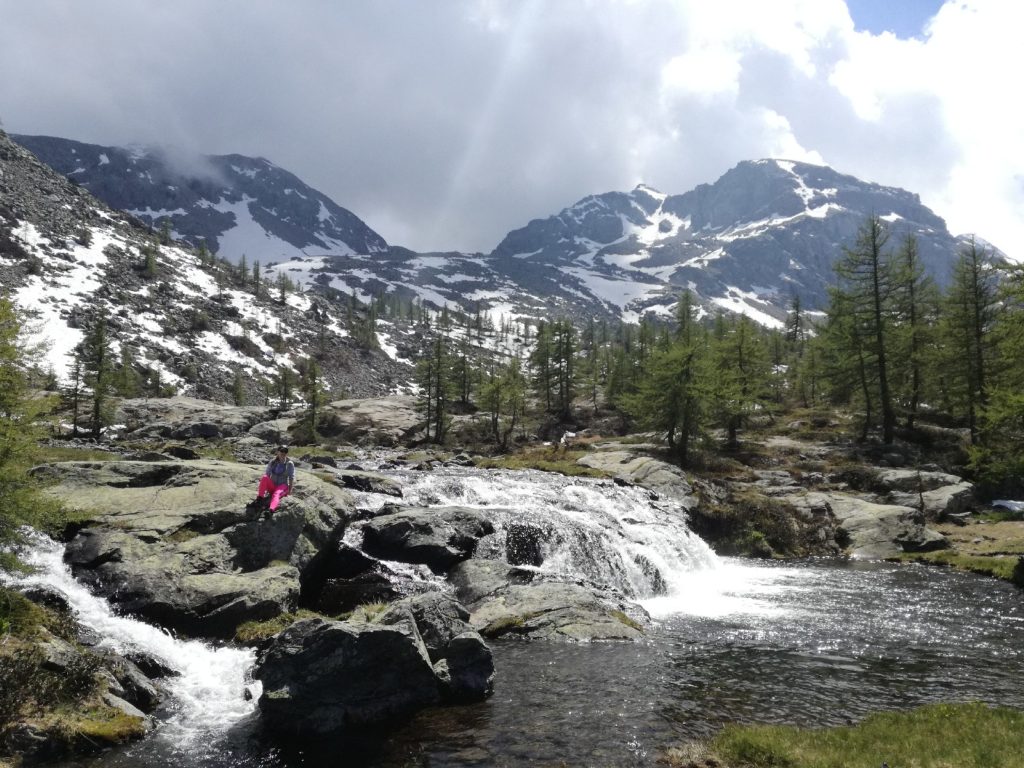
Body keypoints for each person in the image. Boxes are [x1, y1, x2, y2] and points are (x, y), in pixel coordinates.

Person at [254, 445, 294, 513]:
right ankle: (260, 497)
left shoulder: (289, 464)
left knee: (276, 494)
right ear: (278, 452)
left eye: (285, 451)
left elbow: (291, 478)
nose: (283, 453)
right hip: (273, 486)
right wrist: (265, 488)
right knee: (264, 477)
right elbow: (267, 474)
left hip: (282, 486)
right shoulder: (273, 462)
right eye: (282, 451)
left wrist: (290, 491)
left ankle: (271, 509)